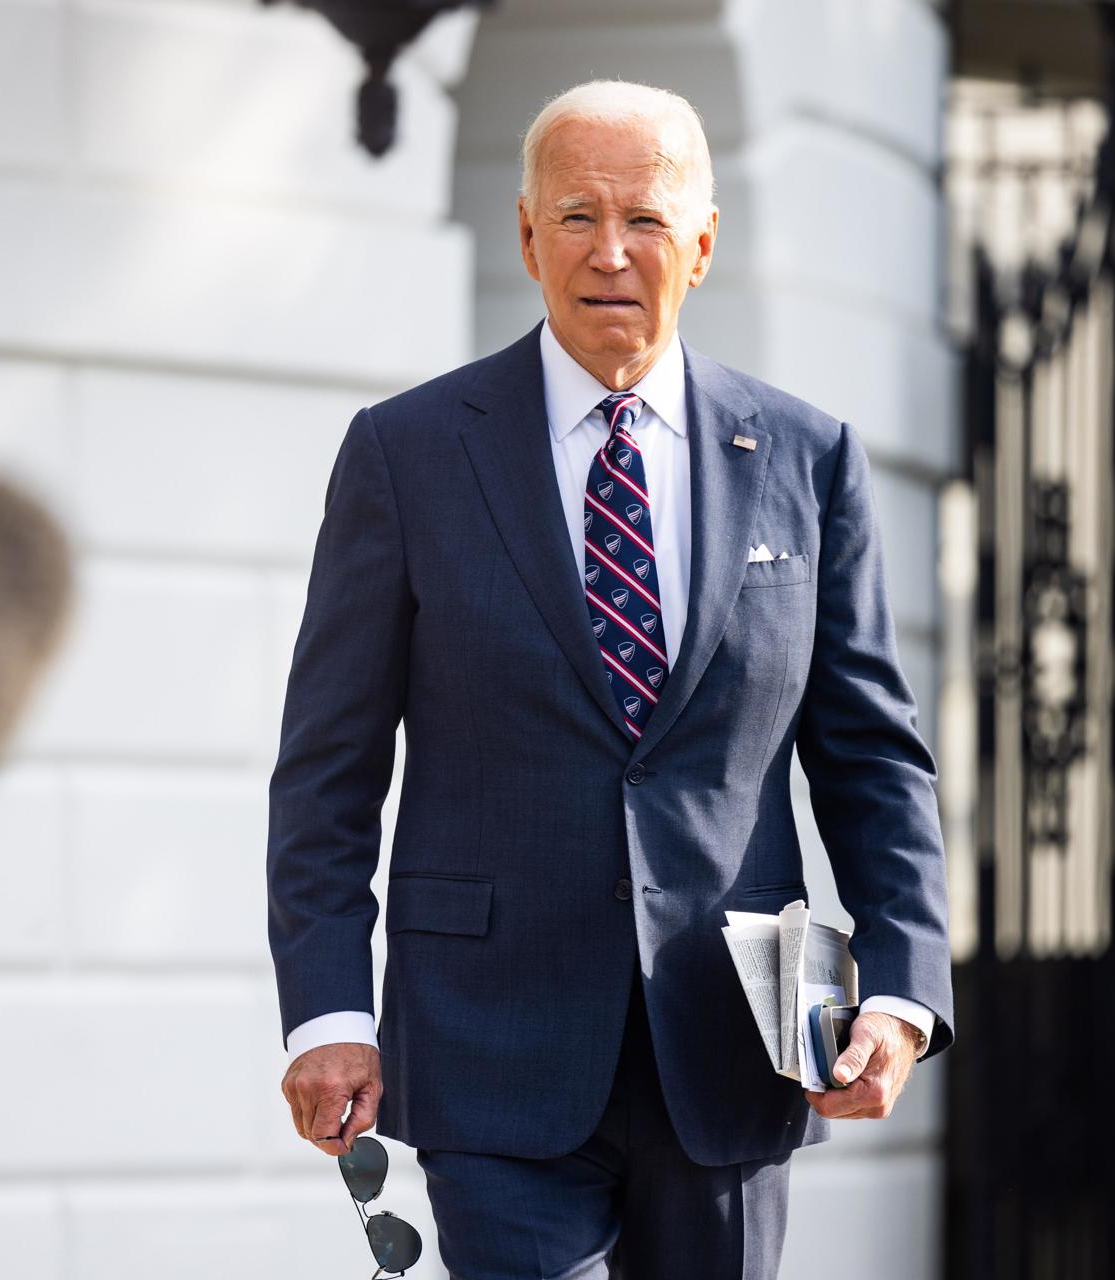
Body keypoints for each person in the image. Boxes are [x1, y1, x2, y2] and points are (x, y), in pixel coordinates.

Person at [265, 79, 953, 1279]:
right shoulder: (408, 453)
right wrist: (329, 1013)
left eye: (643, 215)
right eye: (576, 216)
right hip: (491, 1047)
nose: (611, 251)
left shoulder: (810, 459)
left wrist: (898, 991)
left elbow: (873, 760)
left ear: (703, 240)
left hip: (734, 1048)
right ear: (527, 237)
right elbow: (327, 772)